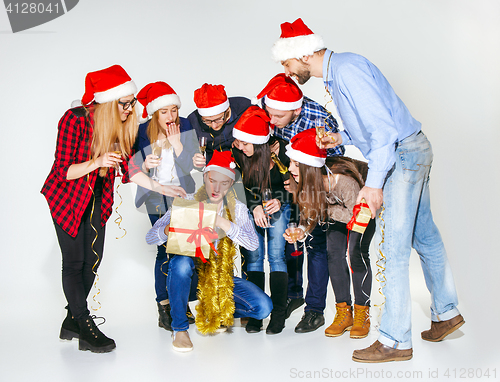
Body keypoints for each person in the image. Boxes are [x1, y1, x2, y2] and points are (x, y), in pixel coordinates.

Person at [272, 18, 464, 362]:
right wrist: (339, 138)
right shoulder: (341, 70)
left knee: (394, 248)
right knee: (426, 237)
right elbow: (370, 123)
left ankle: (394, 340)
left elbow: (384, 131)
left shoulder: (346, 71)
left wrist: (373, 184)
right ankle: (446, 314)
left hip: (401, 155)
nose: (286, 71)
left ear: (301, 54)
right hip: (412, 148)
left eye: (286, 63)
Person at [41, 65, 186, 353]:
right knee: (74, 263)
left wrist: (161, 188)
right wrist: (97, 162)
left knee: (92, 261)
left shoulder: (121, 127)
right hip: (67, 197)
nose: (131, 108)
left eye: (132, 102)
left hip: (96, 199)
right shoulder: (75, 119)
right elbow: (63, 172)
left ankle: (72, 321)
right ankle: (84, 324)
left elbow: (132, 169)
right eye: (125, 102)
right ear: (108, 102)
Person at [146, 151, 272, 352]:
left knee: (263, 307)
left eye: (224, 183)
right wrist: (167, 229)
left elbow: (253, 245)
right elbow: (150, 237)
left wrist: (223, 222)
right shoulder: (187, 200)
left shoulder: (237, 208)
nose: (216, 188)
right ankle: (179, 328)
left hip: (220, 279)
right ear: (205, 177)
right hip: (190, 278)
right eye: (212, 180)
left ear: (231, 184)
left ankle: (213, 310)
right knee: (180, 263)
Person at [255, 72, 345, 320]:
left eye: (278, 116)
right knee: (290, 242)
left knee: (316, 246)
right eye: (269, 113)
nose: (271, 119)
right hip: (286, 187)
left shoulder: (319, 120)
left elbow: (336, 158)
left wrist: (309, 184)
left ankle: (314, 309)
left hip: (315, 188)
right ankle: (293, 294)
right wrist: (272, 140)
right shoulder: (271, 109)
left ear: (295, 111)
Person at [283, 128, 375, 340]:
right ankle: (344, 312)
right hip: (337, 215)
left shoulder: (343, 182)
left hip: (361, 212)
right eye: (291, 163)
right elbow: (309, 214)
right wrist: (301, 230)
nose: (290, 169)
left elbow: (354, 214)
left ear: (310, 166)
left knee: (356, 254)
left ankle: (363, 312)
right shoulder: (304, 183)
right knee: (333, 253)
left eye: (296, 164)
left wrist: (324, 210)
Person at [132, 81, 198, 331]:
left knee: (185, 249)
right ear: (154, 113)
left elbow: (190, 166)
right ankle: (165, 306)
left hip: (182, 193)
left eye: (173, 110)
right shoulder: (140, 132)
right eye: (164, 112)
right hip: (155, 196)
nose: (171, 117)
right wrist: (145, 164)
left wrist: (178, 142)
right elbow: (131, 166)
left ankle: (182, 304)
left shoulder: (186, 127)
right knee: (165, 250)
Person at [232, 106, 290, 335]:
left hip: (279, 207)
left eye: (246, 143)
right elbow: (237, 186)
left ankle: (278, 314)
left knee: (276, 257)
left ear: (259, 142)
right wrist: (254, 206)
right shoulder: (237, 152)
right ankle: (256, 314)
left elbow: (297, 185)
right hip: (251, 207)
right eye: (239, 142)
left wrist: (280, 199)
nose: (240, 146)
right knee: (254, 258)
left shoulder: (280, 150)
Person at [188, 83, 251, 168]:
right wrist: (196, 161)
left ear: (228, 110)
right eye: (207, 121)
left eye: (218, 119)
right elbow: (191, 154)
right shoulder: (193, 121)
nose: (214, 126)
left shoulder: (246, 109)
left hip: (248, 166)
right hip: (215, 172)